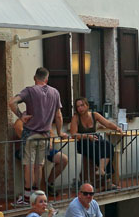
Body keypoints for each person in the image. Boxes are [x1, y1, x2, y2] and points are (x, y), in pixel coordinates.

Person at [8, 67, 67, 207]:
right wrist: (59, 133)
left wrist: (21, 116)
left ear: (35, 78)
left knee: (28, 165)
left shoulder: (29, 90)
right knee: (39, 165)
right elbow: (58, 116)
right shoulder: (55, 92)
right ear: (46, 79)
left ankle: (28, 197)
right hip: (45, 135)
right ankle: (38, 194)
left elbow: (11, 102)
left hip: (30, 134)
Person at [69, 97, 122, 189]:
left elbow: (107, 124)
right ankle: (107, 180)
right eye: (78, 106)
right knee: (97, 149)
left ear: (87, 106)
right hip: (83, 142)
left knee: (108, 145)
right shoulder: (76, 118)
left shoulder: (95, 115)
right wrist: (87, 136)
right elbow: (73, 134)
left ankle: (101, 170)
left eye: (82, 105)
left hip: (95, 139)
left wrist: (117, 128)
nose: (80, 108)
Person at [13, 118, 69, 198]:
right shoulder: (24, 117)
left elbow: (51, 133)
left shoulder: (44, 118)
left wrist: (49, 142)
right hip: (27, 148)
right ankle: (35, 194)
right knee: (37, 165)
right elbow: (18, 128)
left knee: (63, 159)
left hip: (43, 147)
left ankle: (49, 183)